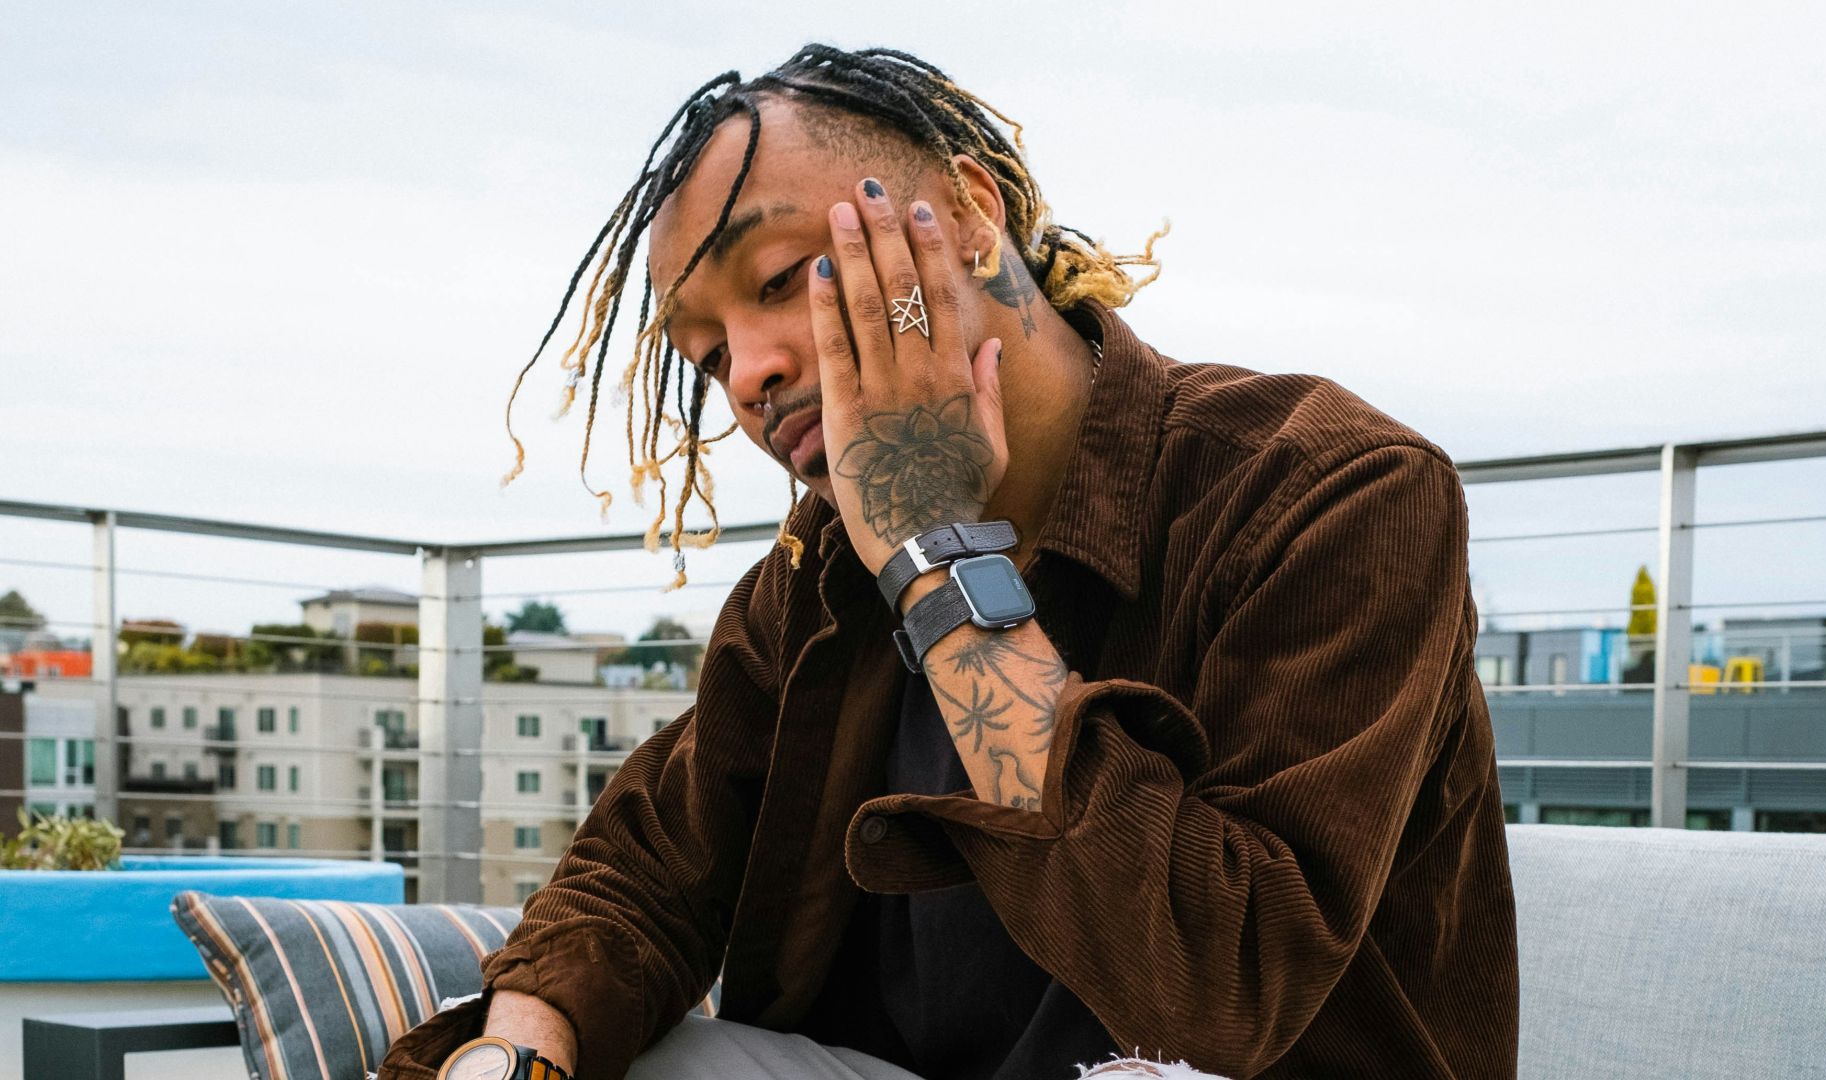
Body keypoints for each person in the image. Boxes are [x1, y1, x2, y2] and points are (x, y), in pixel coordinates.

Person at [381, 44, 1518, 1080]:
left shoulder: (1329, 490)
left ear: (971, 214)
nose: (750, 374)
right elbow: (645, 872)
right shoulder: (816, 576)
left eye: (780, 278)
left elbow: (1225, 993)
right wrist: (518, 1058)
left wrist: (932, 552)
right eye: (709, 353)